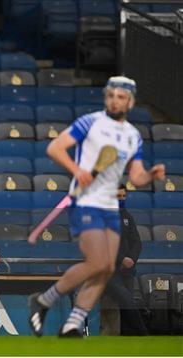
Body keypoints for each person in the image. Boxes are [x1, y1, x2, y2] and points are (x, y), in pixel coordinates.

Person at [28, 76, 165, 337]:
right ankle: (44, 300)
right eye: (111, 95)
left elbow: (135, 176)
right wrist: (77, 170)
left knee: (105, 267)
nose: (115, 100)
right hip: (85, 200)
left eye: (121, 96)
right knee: (98, 261)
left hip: (110, 206)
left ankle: (72, 324)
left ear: (130, 101)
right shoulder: (90, 122)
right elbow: (55, 148)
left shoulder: (133, 136)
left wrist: (150, 175)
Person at [101, 184, 148, 335]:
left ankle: (129, 340)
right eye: (117, 197)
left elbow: (137, 242)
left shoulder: (127, 216)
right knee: (126, 299)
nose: (121, 200)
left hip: (127, 270)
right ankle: (143, 334)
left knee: (127, 304)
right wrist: (121, 259)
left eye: (123, 197)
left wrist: (131, 259)